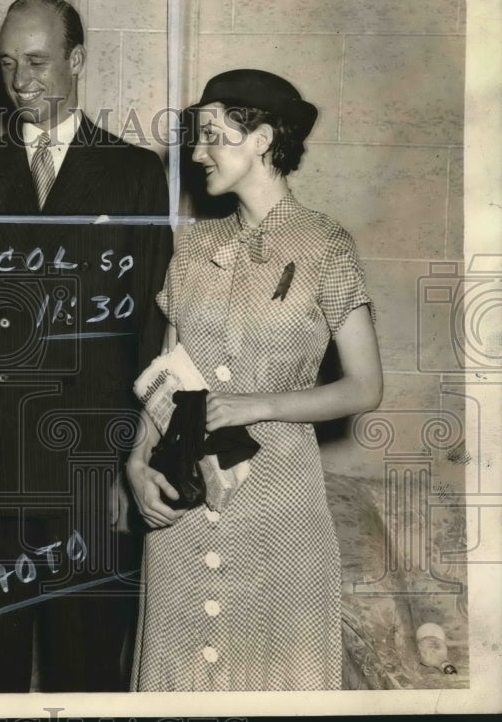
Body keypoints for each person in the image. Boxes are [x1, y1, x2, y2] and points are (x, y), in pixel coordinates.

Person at [0, 0, 172, 692]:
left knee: (89, 672)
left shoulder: (133, 174)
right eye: (8, 64)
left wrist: (135, 460)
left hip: (91, 480)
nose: (21, 81)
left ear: (77, 60)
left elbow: (151, 333)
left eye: (37, 61)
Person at [126, 69, 383, 691]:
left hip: (280, 509)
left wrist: (254, 404)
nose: (196, 153)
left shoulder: (326, 246)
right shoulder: (191, 248)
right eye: (196, 137)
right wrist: (136, 462)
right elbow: (164, 373)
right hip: (186, 502)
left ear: (263, 138)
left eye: (213, 136)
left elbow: (364, 386)